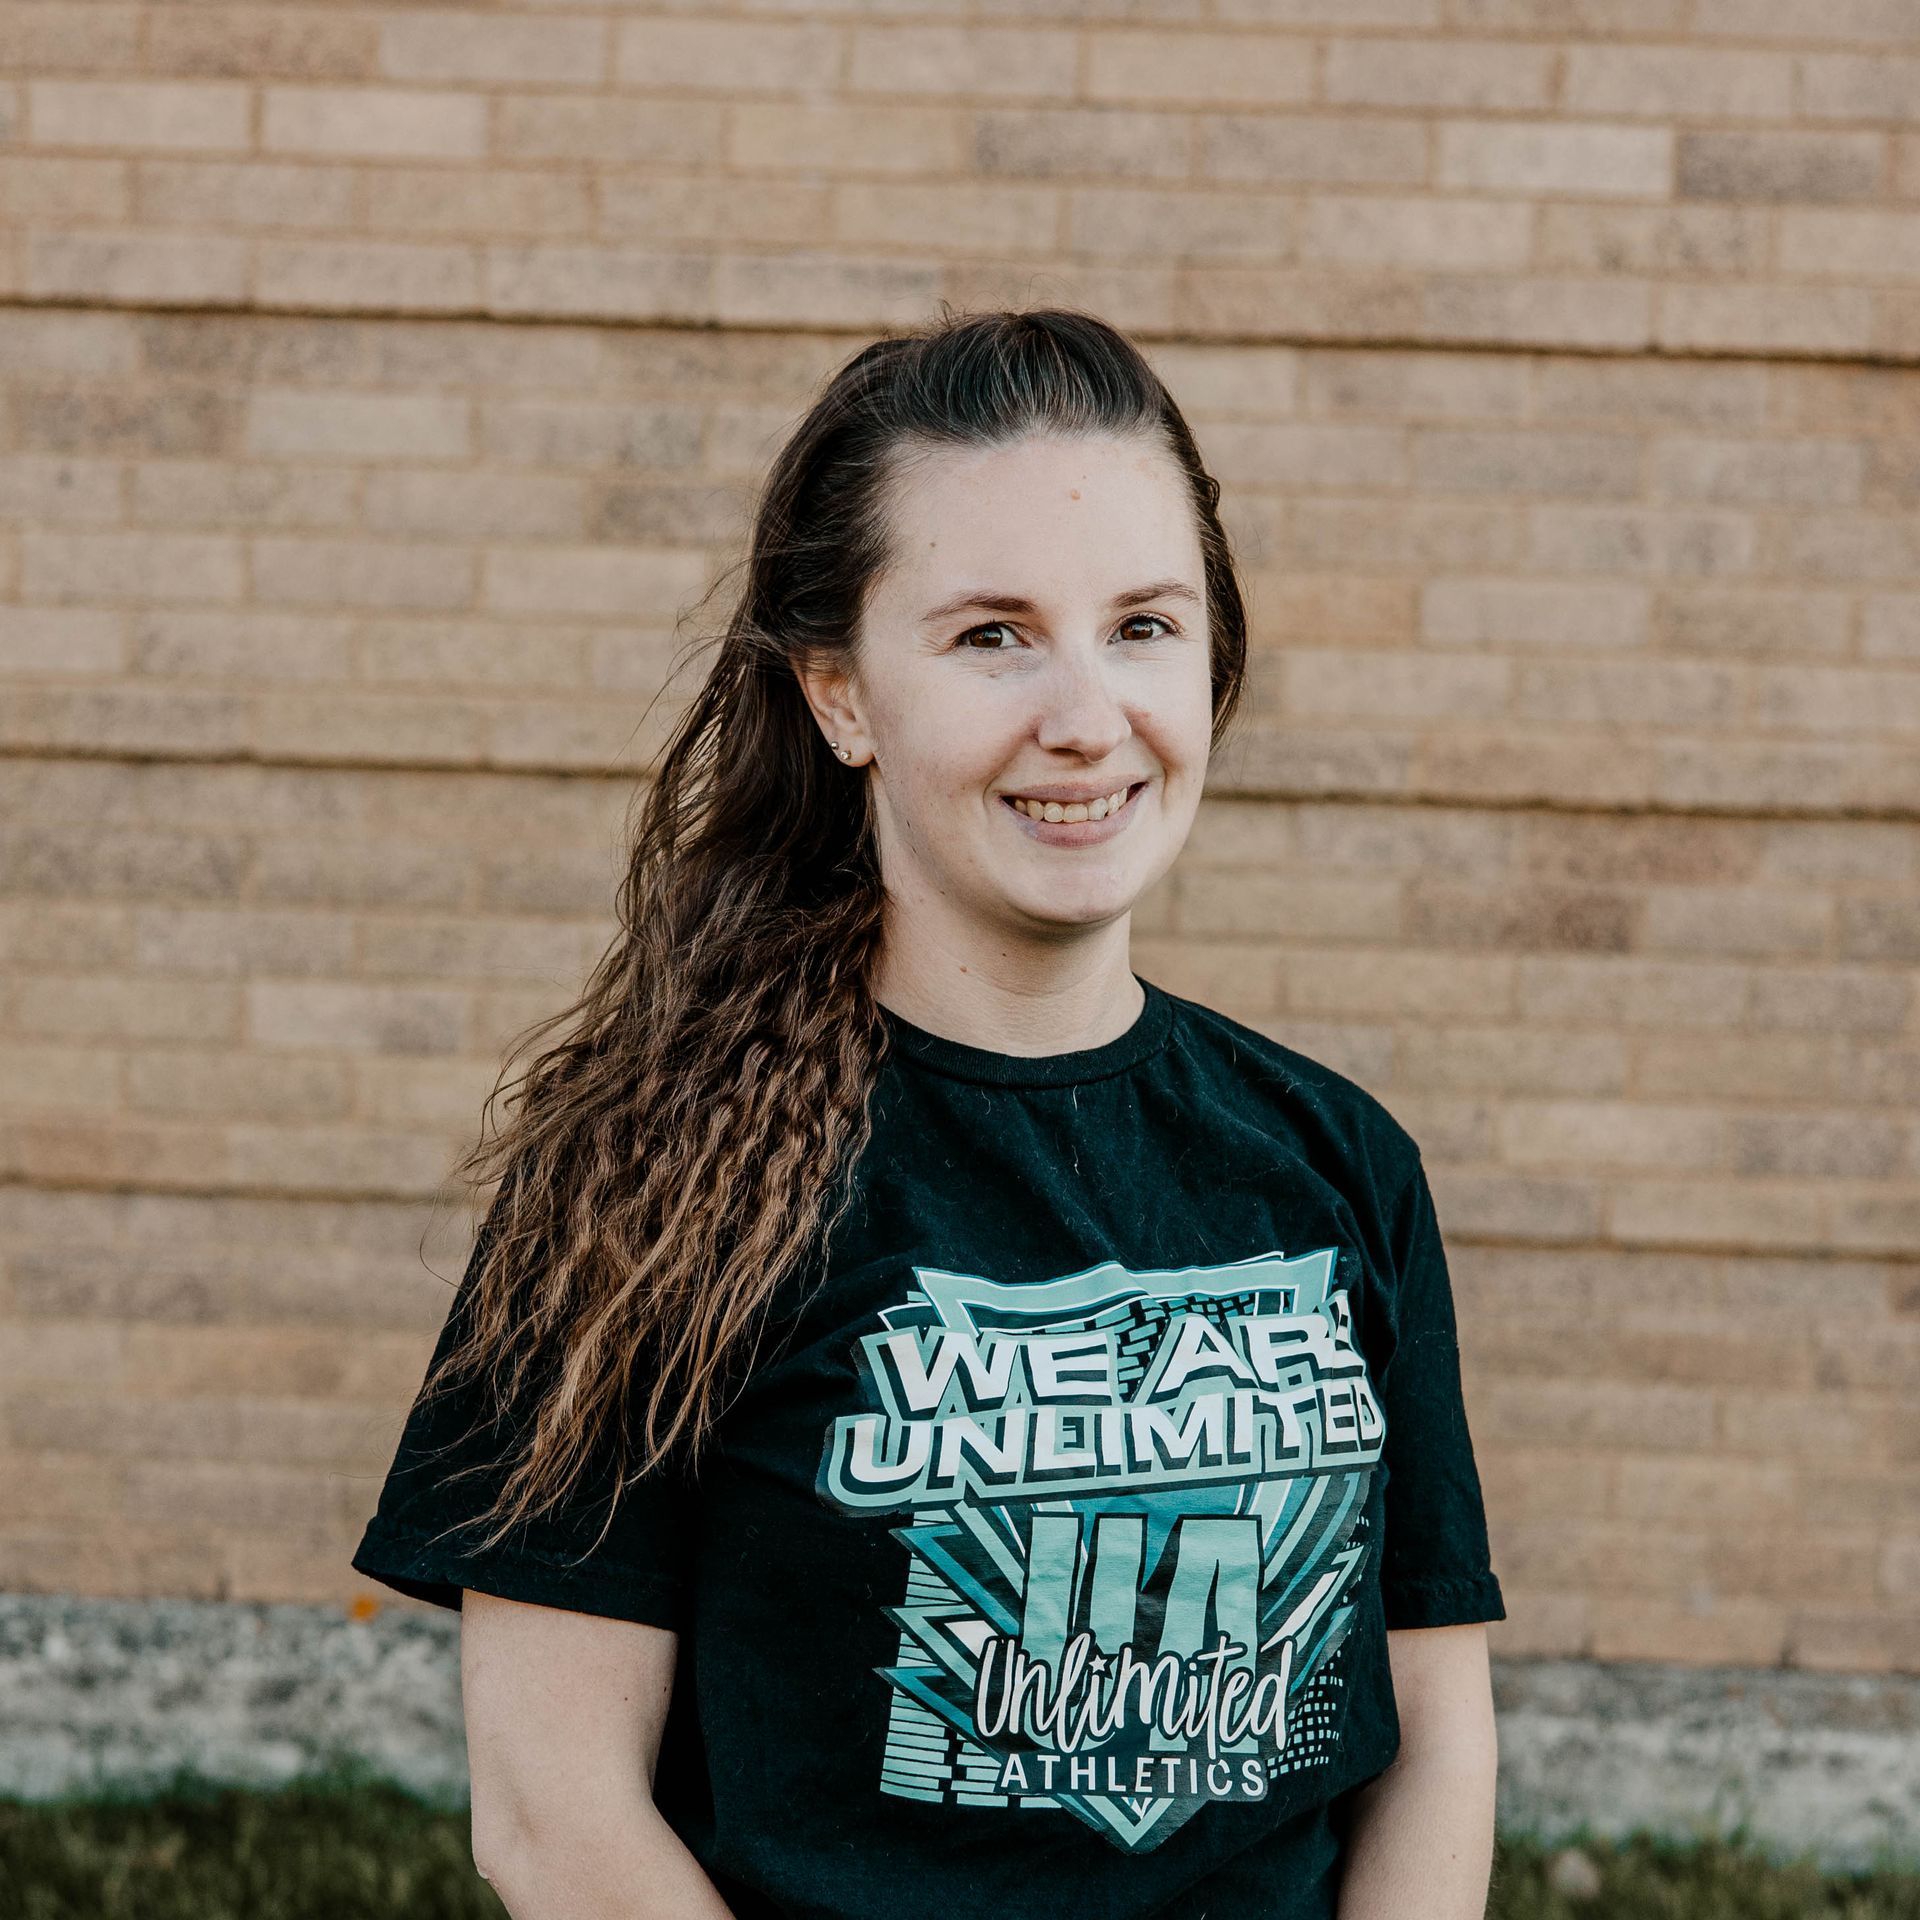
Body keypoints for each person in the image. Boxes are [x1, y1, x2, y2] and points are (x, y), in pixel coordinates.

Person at [350, 306, 1506, 1920]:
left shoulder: (1335, 1163)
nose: (1089, 716)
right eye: (992, 636)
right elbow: (551, 1817)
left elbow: (1435, 1748)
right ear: (841, 696)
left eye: (1145, 628)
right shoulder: (645, 1185)